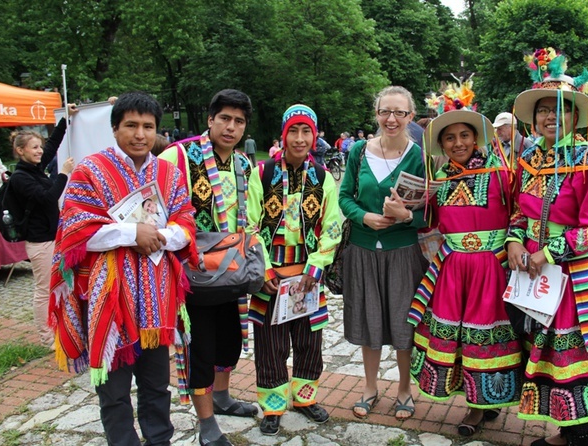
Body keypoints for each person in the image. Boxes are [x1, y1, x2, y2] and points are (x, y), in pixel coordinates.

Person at [49, 92, 197, 445]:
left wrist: (158, 235)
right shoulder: (90, 171)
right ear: (115, 129)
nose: (140, 134)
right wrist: (132, 233)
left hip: (157, 302)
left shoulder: (168, 173)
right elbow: (75, 232)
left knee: (156, 385)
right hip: (111, 305)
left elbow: (185, 221)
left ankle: (159, 439)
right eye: (131, 125)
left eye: (148, 126)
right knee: (114, 392)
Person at [507, 48, 588, 446]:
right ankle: (567, 430)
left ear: (574, 116)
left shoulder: (587, 160)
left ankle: (580, 436)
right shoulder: (529, 158)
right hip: (530, 270)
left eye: (559, 109)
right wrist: (514, 240)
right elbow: (517, 209)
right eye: (543, 109)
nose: (549, 117)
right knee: (540, 349)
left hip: (573, 274)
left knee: (570, 353)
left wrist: (549, 252)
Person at [407, 82, 522, 437]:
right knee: (462, 341)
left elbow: (519, 213)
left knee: (485, 339)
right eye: (450, 138)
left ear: (477, 138)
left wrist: (513, 245)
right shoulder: (438, 179)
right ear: (440, 144)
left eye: (465, 135)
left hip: (491, 269)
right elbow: (431, 224)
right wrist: (406, 211)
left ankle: (482, 406)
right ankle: (476, 402)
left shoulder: (501, 173)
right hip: (454, 270)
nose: (458, 143)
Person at [159, 89, 258, 445]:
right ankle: (206, 424)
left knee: (229, 342)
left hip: (231, 271)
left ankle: (222, 396)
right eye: (225, 119)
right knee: (199, 347)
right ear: (210, 120)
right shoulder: (180, 156)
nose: (231, 127)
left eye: (239, 121)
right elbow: (156, 205)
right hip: (194, 272)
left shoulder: (245, 165)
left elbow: (254, 213)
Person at [246, 104, 341, 436]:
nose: (300, 139)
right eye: (294, 131)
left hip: (307, 277)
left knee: (309, 341)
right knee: (270, 344)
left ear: (314, 137)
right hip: (271, 277)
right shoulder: (263, 174)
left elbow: (332, 227)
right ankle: (273, 406)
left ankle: (305, 398)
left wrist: (314, 270)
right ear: (283, 134)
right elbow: (250, 225)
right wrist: (266, 270)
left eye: (306, 132)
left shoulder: (324, 178)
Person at [339, 86, 428, 421]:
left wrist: (406, 216)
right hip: (362, 249)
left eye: (399, 113)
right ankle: (370, 387)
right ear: (376, 114)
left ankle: (405, 389)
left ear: (410, 117)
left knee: (404, 322)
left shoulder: (420, 156)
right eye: (385, 112)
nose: (391, 119)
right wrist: (363, 216)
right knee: (368, 317)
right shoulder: (359, 151)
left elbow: (431, 212)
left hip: (403, 251)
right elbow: (344, 195)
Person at [8, 104, 77, 348]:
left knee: (60, 283)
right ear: (20, 150)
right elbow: (47, 197)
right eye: (33, 148)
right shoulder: (20, 177)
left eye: (39, 147)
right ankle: (47, 337)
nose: (39, 152)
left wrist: (65, 119)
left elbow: (52, 145)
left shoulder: (35, 168)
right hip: (40, 242)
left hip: (53, 236)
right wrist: (64, 174)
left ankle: (61, 329)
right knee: (44, 289)